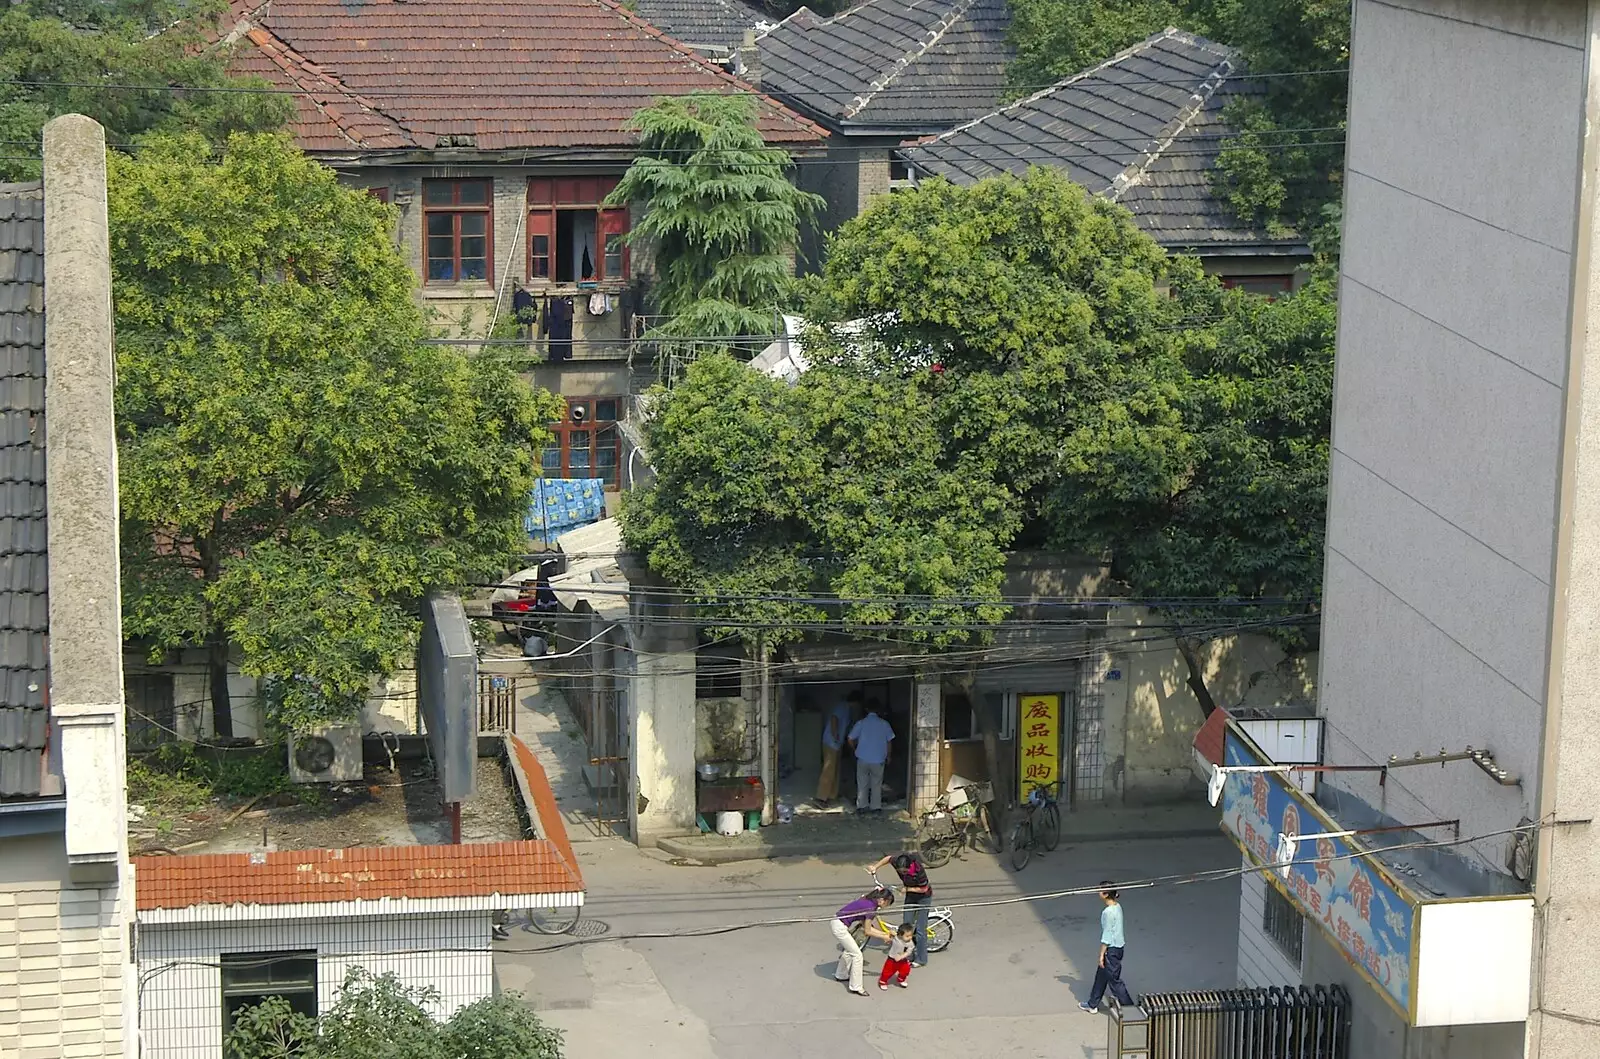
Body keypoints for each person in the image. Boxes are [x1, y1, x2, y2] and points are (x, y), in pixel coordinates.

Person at [867, 851, 934, 965]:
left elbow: (923, 889)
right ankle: (908, 952)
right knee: (906, 926)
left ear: (910, 867)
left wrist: (906, 889)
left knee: (920, 930)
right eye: (900, 871)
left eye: (904, 871)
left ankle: (921, 959)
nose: (902, 873)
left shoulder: (918, 870)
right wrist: (875, 867)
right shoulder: (898, 861)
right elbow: (888, 858)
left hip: (923, 897)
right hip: (911, 896)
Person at [1080, 883, 1134, 1012]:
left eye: (1100, 890)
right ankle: (1093, 1003)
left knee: (1114, 982)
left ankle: (1130, 1007)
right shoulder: (1117, 907)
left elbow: (1107, 936)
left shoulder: (1107, 912)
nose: (1098, 892)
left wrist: (1101, 955)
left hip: (1111, 950)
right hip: (1119, 947)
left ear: (1105, 894)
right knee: (1101, 976)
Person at [832, 887, 894, 996]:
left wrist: (884, 935)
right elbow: (868, 931)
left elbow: (867, 927)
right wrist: (884, 936)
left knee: (850, 950)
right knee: (857, 955)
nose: (886, 906)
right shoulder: (871, 908)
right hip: (840, 927)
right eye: (887, 903)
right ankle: (856, 987)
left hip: (837, 923)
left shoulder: (867, 900)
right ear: (883, 900)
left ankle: (841, 974)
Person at [847, 702, 895, 814]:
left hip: (862, 758)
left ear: (867, 709)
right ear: (879, 710)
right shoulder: (884, 724)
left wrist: (855, 750)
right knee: (876, 784)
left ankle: (862, 806)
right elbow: (889, 741)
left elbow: (850, 738)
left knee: (862, 783)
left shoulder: (861, 723)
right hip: (878, 759)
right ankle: (875, 807)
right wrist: (889, 756)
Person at [816, 690, 861, 806]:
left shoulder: (847, 709)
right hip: (831, 742)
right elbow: (834, 719)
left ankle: (832, 795)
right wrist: (835, 734)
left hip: (837, 743)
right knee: (829, 769)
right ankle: (821, 798)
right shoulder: (842, 707)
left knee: (835, 770)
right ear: (855, 702)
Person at [878, 922, 916, 990]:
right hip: (892, 959)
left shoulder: (910, 943)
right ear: (900, 935)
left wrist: (901, 957)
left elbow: (908, 952)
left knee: (906, 970)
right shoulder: (896, 937)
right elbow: (891, 931)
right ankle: (883, 981)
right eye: (907, 936)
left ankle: (901, 979)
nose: (910, 937)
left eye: (911, 935)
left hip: (902, 959)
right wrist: (888, 938)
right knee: (887, 971)